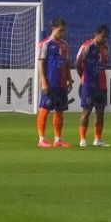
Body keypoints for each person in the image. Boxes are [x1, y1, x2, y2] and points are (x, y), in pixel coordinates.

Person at [35, 18, 71, 149]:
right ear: (53, 28)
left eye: (63, 30)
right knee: (45, 110)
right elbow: (40, 63)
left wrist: (69, 78)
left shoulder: (64, 44)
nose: (62, 33)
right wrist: (43, 82)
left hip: (61, 83)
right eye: (60, 30)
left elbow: (66, 63)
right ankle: (41, 139)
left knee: (60, 111)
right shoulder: (45, 44)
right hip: (50, 82)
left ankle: (58, 139)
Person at [75, 25, 111, 147]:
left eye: (106, 37)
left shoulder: (106, 48)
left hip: (101, 84)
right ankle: (83, 139)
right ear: (96, 34)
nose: (104, 39)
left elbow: (104, 63)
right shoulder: (87, 46)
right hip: (88, 84)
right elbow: (78, 62)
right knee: (86, 111)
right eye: (102, 36)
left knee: (100, 112)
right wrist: (83, 76)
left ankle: (98, 139)